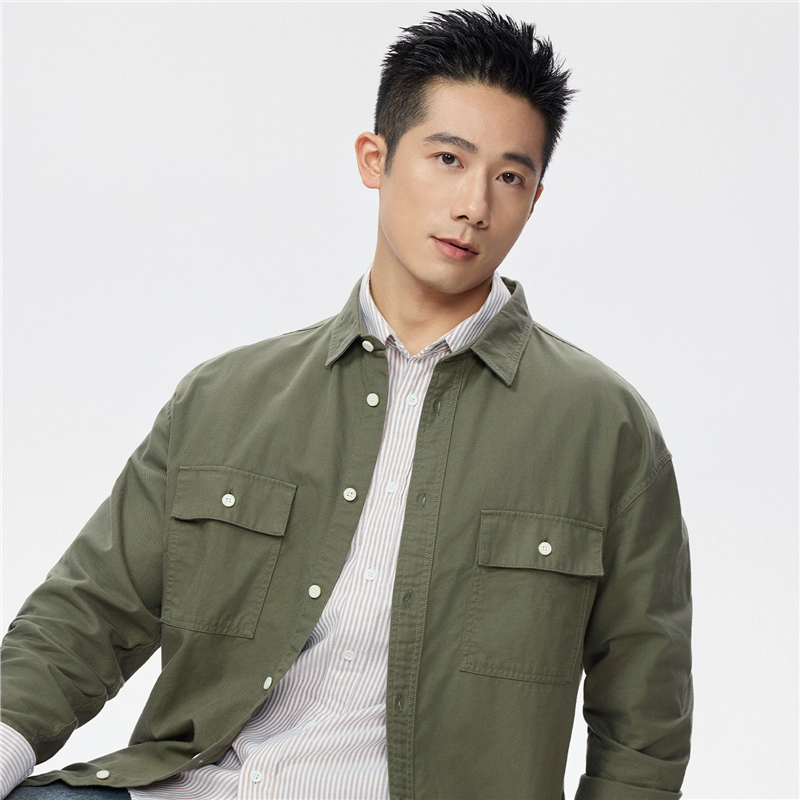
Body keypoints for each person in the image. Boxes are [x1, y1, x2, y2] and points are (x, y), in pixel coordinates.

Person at [0, 7, 692, 799]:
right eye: (447, 158)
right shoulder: (224, 399)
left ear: (534, 198)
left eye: (509, 177)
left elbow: (644, 724)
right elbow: (85, 620)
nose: (474, 204)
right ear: (375, 159)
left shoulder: (603, 430)